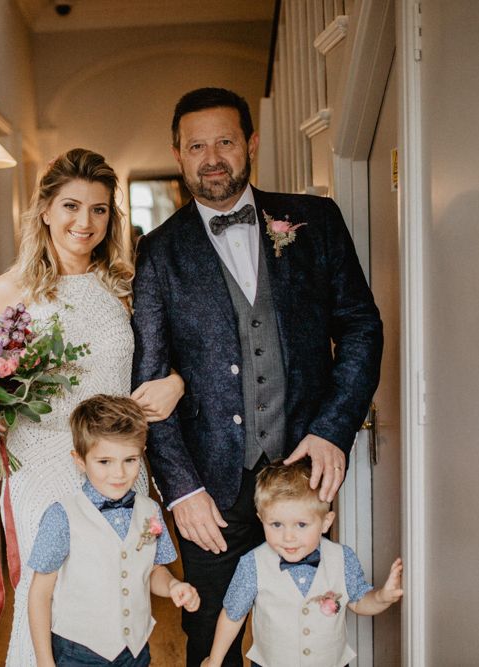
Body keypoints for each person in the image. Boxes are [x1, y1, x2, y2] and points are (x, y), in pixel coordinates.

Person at [131, 87, 383, 665]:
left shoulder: (316, 221)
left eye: (224, 141)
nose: (211, 157)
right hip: (211, 488)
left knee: (305, 625)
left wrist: (332, 428)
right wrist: (181, 489)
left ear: (251, 143)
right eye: (197, 145)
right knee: (207, 640)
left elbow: (361, 329)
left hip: (303, 475)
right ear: (178, 154)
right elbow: (148, 386)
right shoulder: (159, 252)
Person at [0, 148, 185, 665]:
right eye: (70, 206)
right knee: (52, 590)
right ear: (44, 210)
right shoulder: (9, 290)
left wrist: (175, 383)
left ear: (111, 216)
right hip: (41, 459)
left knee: (119, 585)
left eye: (98, 209)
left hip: (117, 459)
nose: (83, 222)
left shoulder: (127, 287)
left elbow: (172, 361)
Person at [28, 395, 200, 666]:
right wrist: (44, 661)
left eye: (130, 460)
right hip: (78, 652)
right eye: (104, 462)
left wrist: (173, 585)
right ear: (80, 460)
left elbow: (153, 569)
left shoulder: (150, 511)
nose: (119, 473)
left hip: (134, 649)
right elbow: (40, 593)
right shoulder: (62, 516)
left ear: (142, 453)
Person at [202, 460, 403, 667]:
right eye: (276, 524)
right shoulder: (253, 564)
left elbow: (359, 601)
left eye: (301, 524)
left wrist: (382, 597)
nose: (288, 537)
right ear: (261, 519)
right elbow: (233, 614)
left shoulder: (342, 558)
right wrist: (215, 661)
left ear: (326, 522)